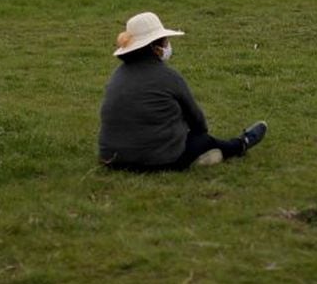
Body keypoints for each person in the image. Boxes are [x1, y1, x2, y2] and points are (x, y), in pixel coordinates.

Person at [98, 11, 267, 172]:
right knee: (203, 140)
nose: (167, 45)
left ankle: (209, 154)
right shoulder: (168, 77)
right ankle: (240, 144)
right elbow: (198, 122)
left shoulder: (116, 76)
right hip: (159, 161)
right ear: (155, 46)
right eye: (164, 41)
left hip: (112, 159)